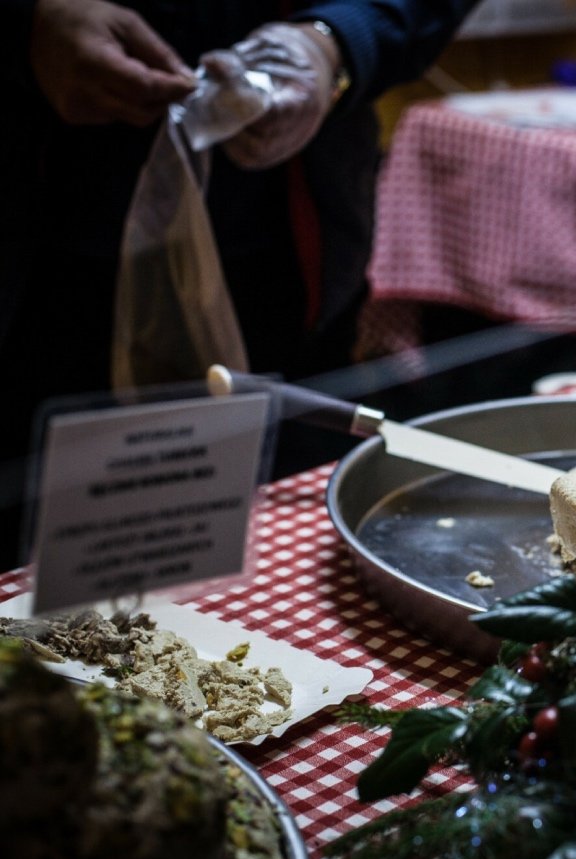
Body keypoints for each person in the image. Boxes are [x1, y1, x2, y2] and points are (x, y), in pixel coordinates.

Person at [0, 0, 481, 569]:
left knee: (287, 554)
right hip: (37, 283)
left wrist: (337, 39)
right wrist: (27, 24)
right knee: (33, 563)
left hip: (293, 269)